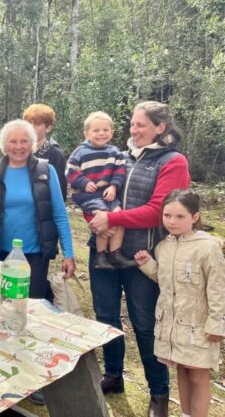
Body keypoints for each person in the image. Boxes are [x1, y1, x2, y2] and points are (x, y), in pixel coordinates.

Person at [88, 101, 191, 417]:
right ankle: (113, 375)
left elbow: (159, 211)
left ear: (160, 127)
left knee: (145, 325)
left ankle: (159, 393)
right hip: (104, 251)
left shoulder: (173, 162)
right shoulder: (120, 156)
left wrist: (112, 219)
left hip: (141, 258)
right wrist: (94, 215)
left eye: (141, 125)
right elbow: (94, 192)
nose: (134, 130)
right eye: (132, 124)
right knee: (106, 317)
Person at [134, 190, 224, 417]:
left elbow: (217, 288)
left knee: (198, 374)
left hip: (198, 325)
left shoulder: (208, 247)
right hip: (172, 324)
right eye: (167, 215)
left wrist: (216, 323)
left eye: (180, 216)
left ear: (195, 217)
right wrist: (148, 265)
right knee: (182, 370)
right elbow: (165, 280)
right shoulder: (163, 247)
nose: (172, 221)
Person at [0, 119, 76, 296]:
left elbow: (59, 214)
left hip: (35, 255)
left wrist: (69, 255)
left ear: (32, 143)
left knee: (32, 305)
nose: (19, 147)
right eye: (13, 141)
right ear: (4, 145)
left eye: (24, 141)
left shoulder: (47, 171)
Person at [66, 111, 126, 270]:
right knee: (103, 217)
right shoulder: (80, 152)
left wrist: (114, 186)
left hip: (107, 193)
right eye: (96, 130)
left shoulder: (115, 152)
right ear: (86, 133)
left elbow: (120, 171)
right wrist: (83, 182)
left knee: (120, 216)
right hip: (88, 195)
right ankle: (100, 255)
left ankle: (115, 253)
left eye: (106, 130)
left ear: (112, 132)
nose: (101, 133)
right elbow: (70, 171)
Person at [23, 103, 67, 201]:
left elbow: (60, 192)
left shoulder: (55, 154)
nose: (31, 127)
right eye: (28, 123)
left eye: (37, 124)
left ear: (48, 128)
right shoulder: (18, 151)